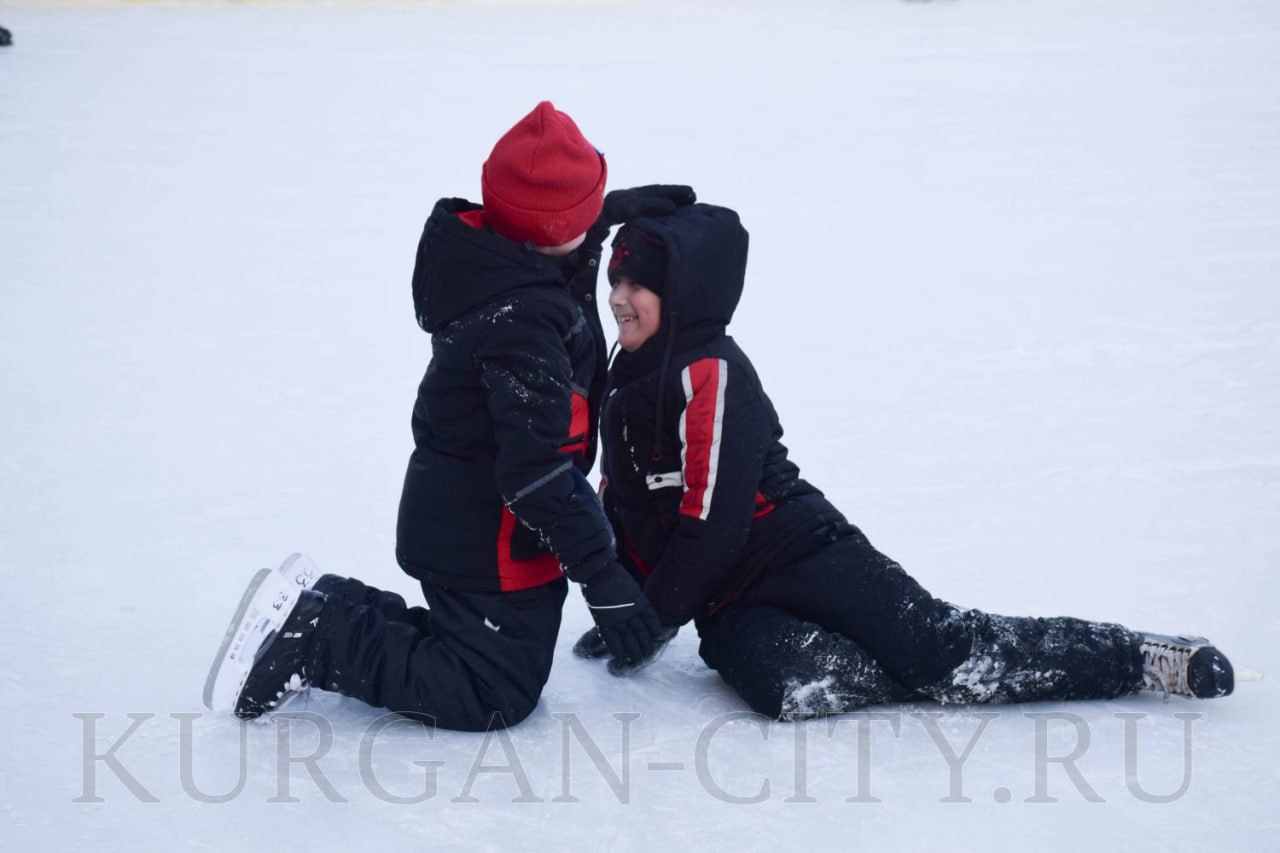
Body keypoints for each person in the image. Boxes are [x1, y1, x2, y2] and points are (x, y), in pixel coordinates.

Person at [574, 201, 1235, 719]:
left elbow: (713, 520)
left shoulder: (711, 372)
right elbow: (629, 502)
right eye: (617, 280)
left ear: (685, 294)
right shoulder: (627, 380)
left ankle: (1137, 657)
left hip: (801, 549)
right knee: (789, 688)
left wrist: (654, 615)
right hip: (726, 597)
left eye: (639, 285)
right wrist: (628, 605)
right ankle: (909, 669)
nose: (619, 298)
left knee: (941, 651)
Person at [205, 102, 694, 730]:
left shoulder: (501, 266)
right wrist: (602, 575)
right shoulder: (524, 324)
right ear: (554, 232)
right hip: (486, 535)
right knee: (495, 690)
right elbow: (535, 473)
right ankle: (317, 635)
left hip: (484, 518)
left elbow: (552, 252)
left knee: (488, 652)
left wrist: (601, 217)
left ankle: (332, 606)